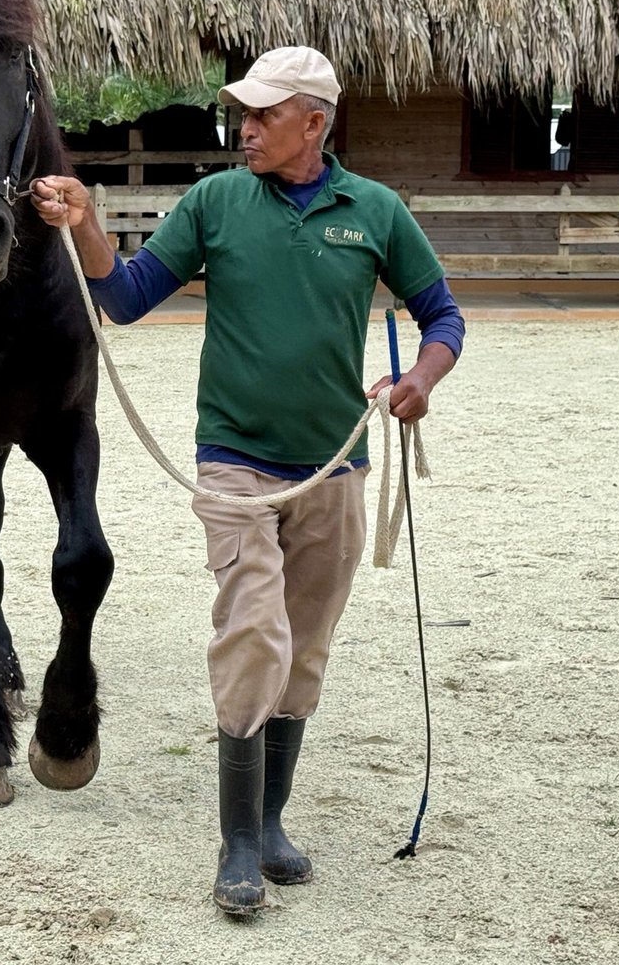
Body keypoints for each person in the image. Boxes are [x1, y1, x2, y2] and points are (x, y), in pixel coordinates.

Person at [29, 47, 465, 917]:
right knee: (254, 633)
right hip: (233, 464)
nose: (246, 127)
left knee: (303, 650)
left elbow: (442, 314)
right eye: (244, 112)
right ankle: (233, 846)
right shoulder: (216, 201)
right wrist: (85, 221)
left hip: (335, 466)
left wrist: (421, 379)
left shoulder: (375, 211)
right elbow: (125, 297)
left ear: (316, 122)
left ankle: (269, 825)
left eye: (265, 114)